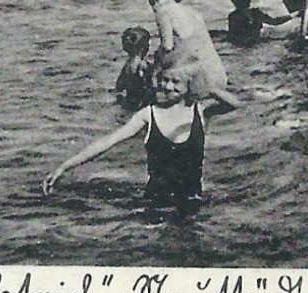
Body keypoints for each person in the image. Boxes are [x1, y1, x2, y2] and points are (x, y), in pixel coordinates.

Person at [43, 67, 243, 210]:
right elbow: (109, 141)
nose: (167, 86)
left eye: (176, 82)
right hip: (155, 201)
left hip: (193, 198)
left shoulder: (200, 112)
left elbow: (234, 104)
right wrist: (64, 166)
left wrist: (209, 90)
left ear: (189, 87)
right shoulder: (148, 114)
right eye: (164, 80)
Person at [147, 0, 229, 102]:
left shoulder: (163, 11)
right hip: (218, 75)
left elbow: (167, 47)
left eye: (152, 4)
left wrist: (154, 68)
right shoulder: (193, 12)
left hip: (196, 80)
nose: (153, 8)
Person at [224, 0, 292, 47]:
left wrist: (292, 16)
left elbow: (275, 21)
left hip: (255, 43)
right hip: (241, 46)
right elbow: (234, 37)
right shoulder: (234, 17)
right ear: (234, 0)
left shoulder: (256, 13)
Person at [113, 26, 156, 111]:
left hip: (130, 98)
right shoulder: (142, 65)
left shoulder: (127, 65)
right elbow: (149, 84)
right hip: (141, 101)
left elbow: (119, 86)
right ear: (144, 47)